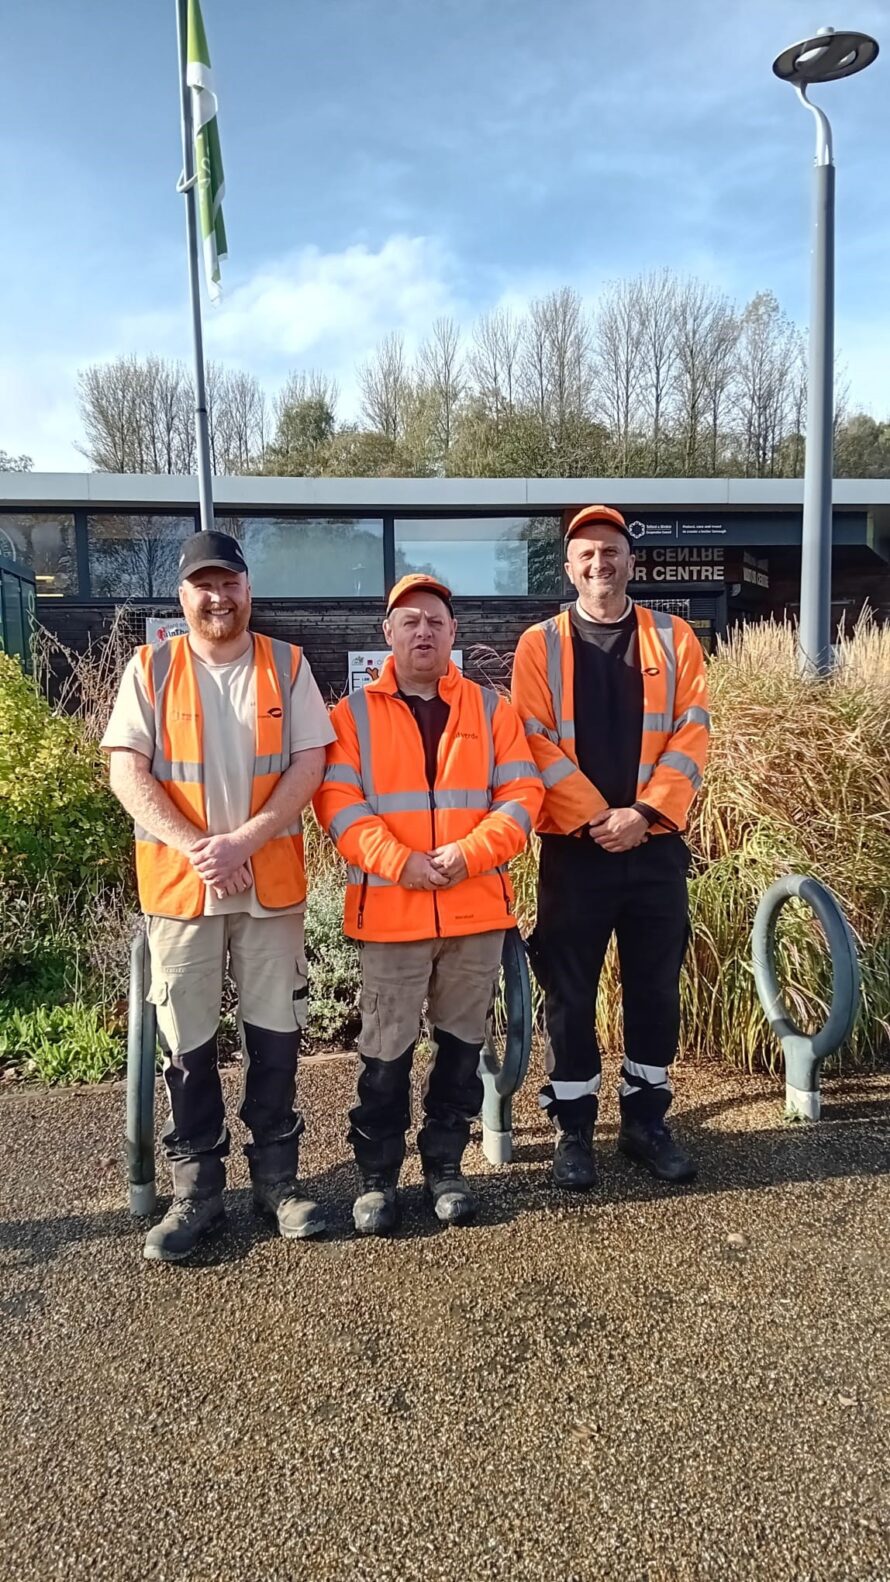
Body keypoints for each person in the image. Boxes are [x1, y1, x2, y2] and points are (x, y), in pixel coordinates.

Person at [102, 530, 335, 1261]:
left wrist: (244, 841)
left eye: (228, 582)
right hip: (182, 891)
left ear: (247, 589)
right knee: (187, 1049)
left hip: (268, 889)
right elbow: (126, 773)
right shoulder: (150, 668)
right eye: (203, 585)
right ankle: (196, 1190)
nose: (217, 596)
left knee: (276, 1039)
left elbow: (309, 765)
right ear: (184, 597)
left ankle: (277, 1181)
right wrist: (201, 848)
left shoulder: (287, 665)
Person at [315, 573, 543, 1235]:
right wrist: (401, 862)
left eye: (434, 622)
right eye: (409, 620)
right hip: (393, 916)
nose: (422, 631)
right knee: (384, 1059)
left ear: (453, 634)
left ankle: (445, 1167)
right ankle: (378, 1179)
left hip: (473, 914)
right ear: (388, 634)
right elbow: (338, 803)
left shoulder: (491, 710)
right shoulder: (350, 715)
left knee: (460, 1052)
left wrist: (469, 854)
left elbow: (523, 795)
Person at [511, 505, 710, 1190]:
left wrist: (645, 814)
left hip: (655, 849)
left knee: (655, 989)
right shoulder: (539, 645)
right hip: (576, 851)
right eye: (586, 554)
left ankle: (645, 1122)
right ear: (569, 567)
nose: (600, 564)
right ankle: (573, 1130)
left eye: (611, 552)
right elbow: (533, 738)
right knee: (569, 993)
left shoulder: (674, 637)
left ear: (631, 561)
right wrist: (602, 818)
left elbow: (692, 732)